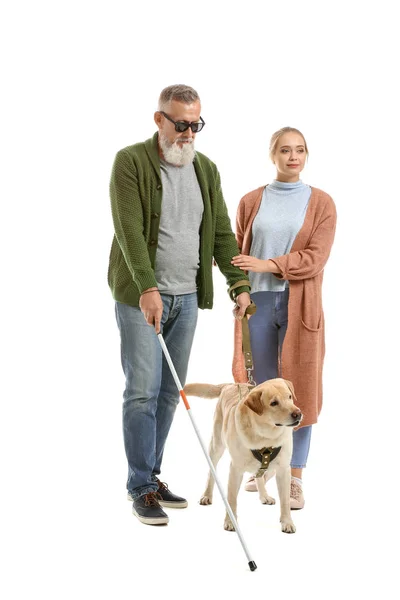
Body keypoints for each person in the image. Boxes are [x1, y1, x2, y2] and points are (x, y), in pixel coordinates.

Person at [108, 84, 251, 526]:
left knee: (171, 394)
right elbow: (130, 232)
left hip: (186, 298)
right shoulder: (130, 161)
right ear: (159, 120)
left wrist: (238, 283)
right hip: (141, 298)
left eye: (196, 124)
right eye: (181, 124)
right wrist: (147, 288)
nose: (189, 133)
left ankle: (153, 476)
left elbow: (222, 233)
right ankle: (139, 487)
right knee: (142, 392)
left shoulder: (205, 169)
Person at [231, 126, 336, 509]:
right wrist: (239, 284)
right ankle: (262, 465)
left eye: (301, 150)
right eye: (286, 150)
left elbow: (315, 258)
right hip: (256, 303)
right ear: (272, 155)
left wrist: (268, 263)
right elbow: (236, 253)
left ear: (306, 155)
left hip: (299, 305)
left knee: (298, 391)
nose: (294, 157)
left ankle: (293, 477)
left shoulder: (321, 203)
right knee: (259, 392)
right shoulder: (250, 201)